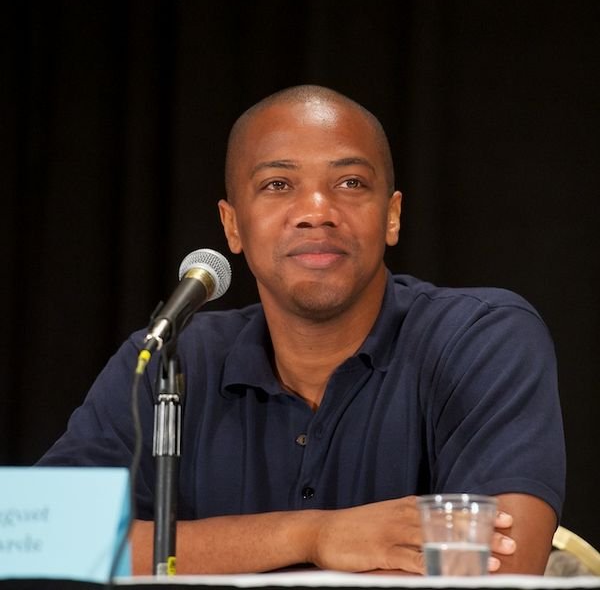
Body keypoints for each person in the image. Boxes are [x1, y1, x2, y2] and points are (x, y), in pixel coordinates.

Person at [38, 84, 565, 575]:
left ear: (392, 215)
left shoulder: (481, 339)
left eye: (350, 183)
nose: (317, 211)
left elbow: (498, 571)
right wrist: (312, 535)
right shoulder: (171, 357)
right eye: (278, 184)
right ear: (232, 226)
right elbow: (42, 538)